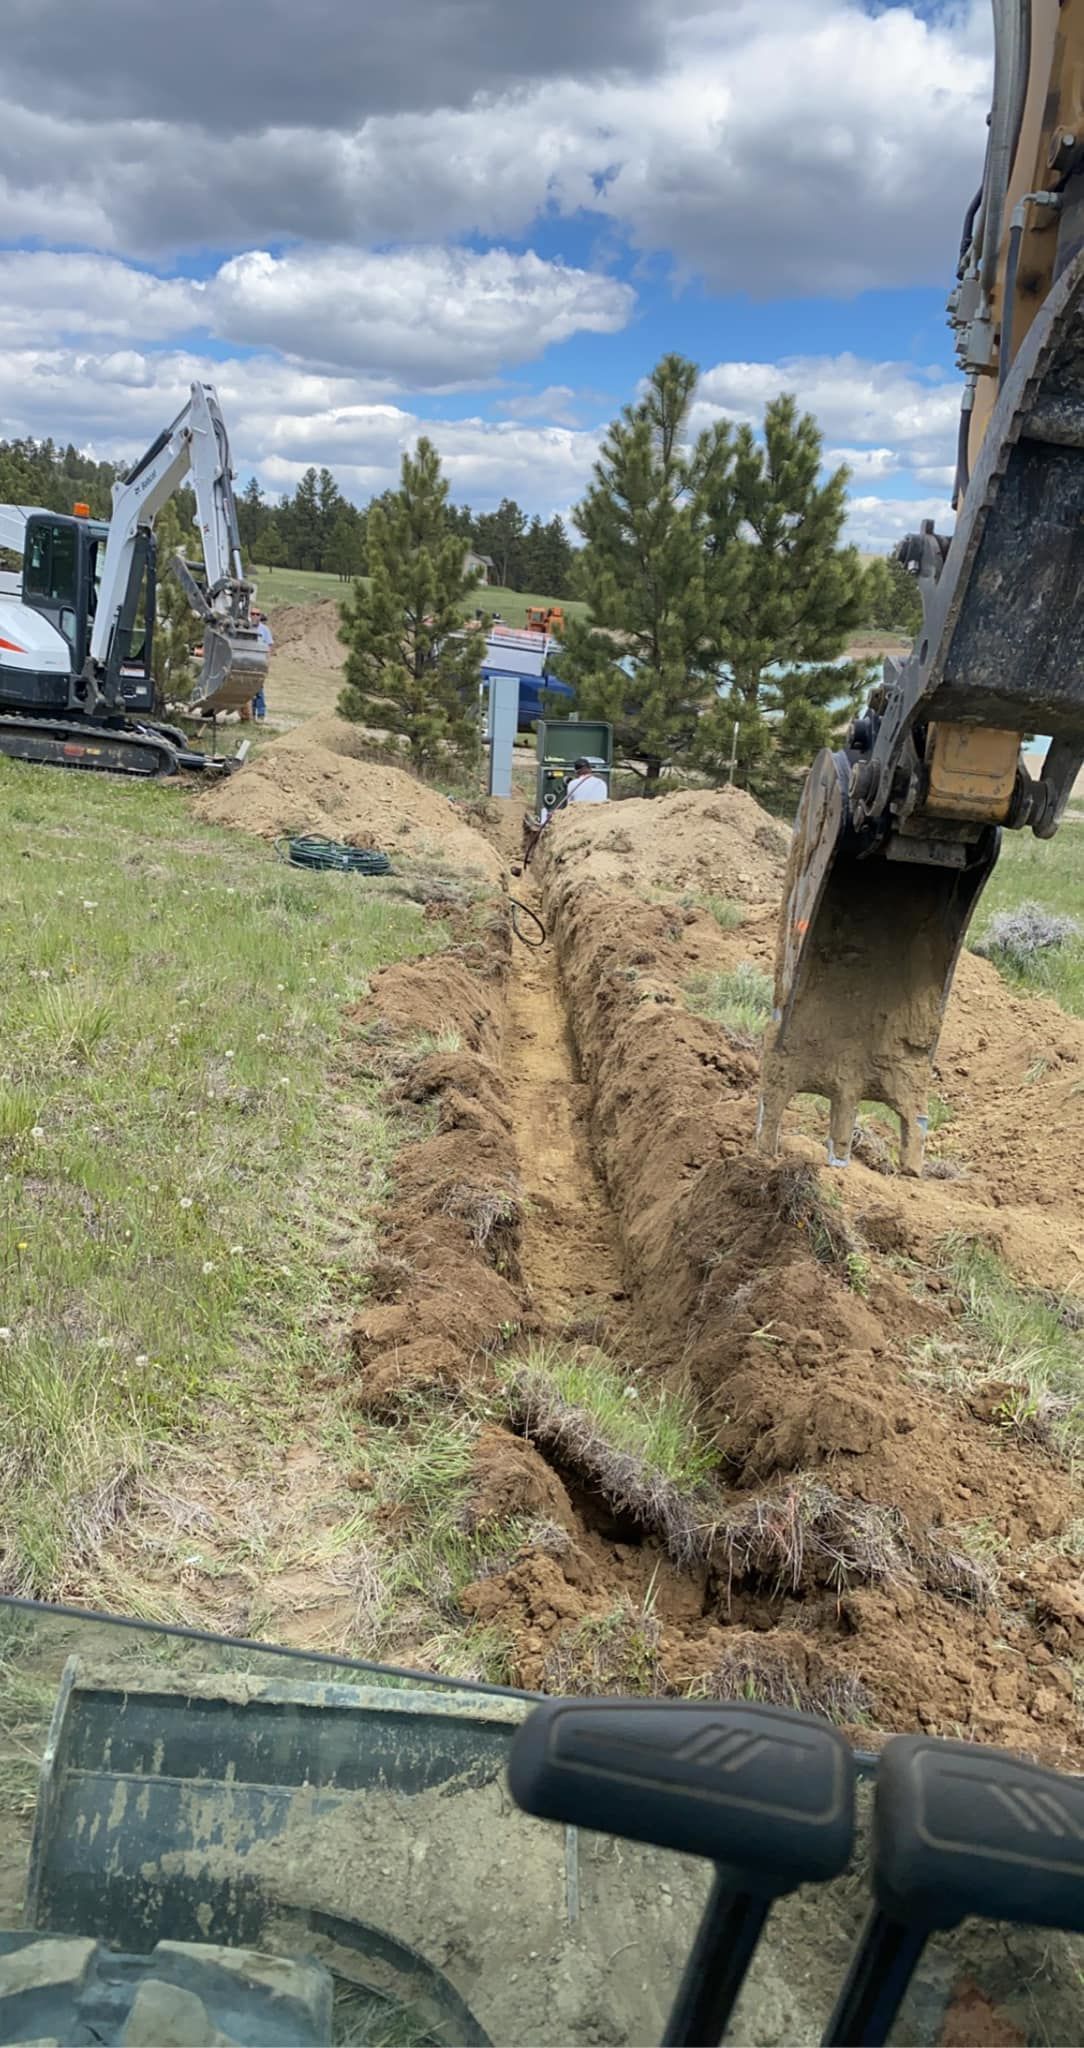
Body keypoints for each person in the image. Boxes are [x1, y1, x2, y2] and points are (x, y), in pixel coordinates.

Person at [520, 758, 609, 868]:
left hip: (580, 821)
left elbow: (570, 809)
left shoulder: (573, 784)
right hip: (600, 819)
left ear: (577, 772)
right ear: (590, 769)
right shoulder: (602, 783)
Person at [251, 609, 273, 720]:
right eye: (252, 614)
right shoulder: (247, 628)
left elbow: (269, 647)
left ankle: (260, 712)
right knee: (248, 688)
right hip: (248, 661)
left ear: (260, 616)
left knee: (258, 687)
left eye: (257, 614)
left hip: (259, 661)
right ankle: (250, 712)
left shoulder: (265, 630)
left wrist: (267, 663)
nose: (255, 616)